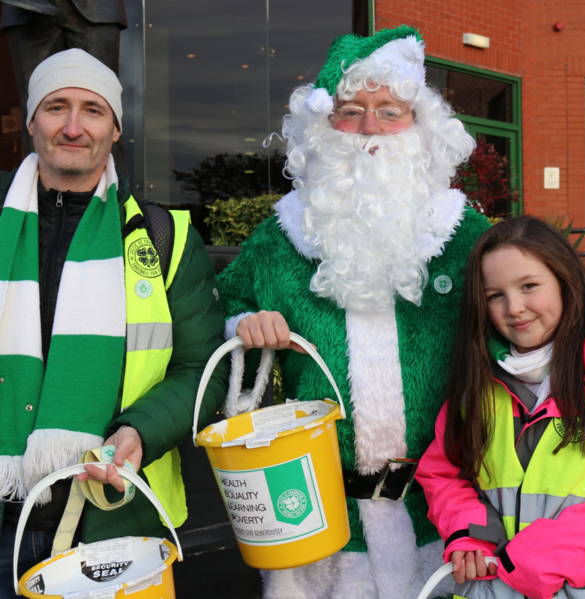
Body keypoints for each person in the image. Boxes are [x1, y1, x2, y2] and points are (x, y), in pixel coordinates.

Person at [218, 26, 489, 598]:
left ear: (418, 127)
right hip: (317, 526)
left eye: (389, 111)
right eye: (351, 111)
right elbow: (231, 303)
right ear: (323, 126)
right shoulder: (281, 235)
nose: (370, 129)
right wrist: (243, 327)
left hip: (445, 522)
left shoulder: (464, 233)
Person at [0, 48, 227, 590]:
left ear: (116, 128)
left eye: (92, 110)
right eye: (56, 107)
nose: (73, 127)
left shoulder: (164, 237)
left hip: (110, 513)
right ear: (32, 120)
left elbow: (203, 369)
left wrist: (139, 433)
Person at [415, 216, 585, 599]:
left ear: (565, 282)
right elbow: (445, 474)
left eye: (529, 286)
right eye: (494, 295)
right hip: (492, 590)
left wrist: (558, 551)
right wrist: (470, 532)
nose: (514, 307)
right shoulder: (477, 388)